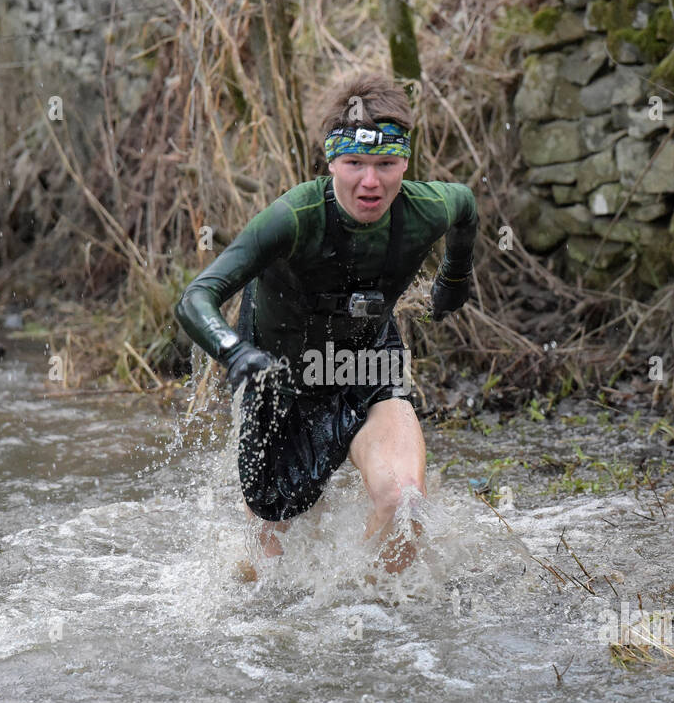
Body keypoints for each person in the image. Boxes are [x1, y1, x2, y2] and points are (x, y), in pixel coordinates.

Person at [174, 73, 478, 578]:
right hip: (280, 377)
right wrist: (234, 353)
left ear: (405, 161)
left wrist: (455, 276)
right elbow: (197, 296)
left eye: (386, 164)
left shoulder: (428, 208)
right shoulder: (293, 217)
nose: (371, 182)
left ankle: (369, 618)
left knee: (403, 503)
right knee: (264, 569)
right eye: (355, 163)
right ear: (332, 160)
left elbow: (465, 205)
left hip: (366, 364)